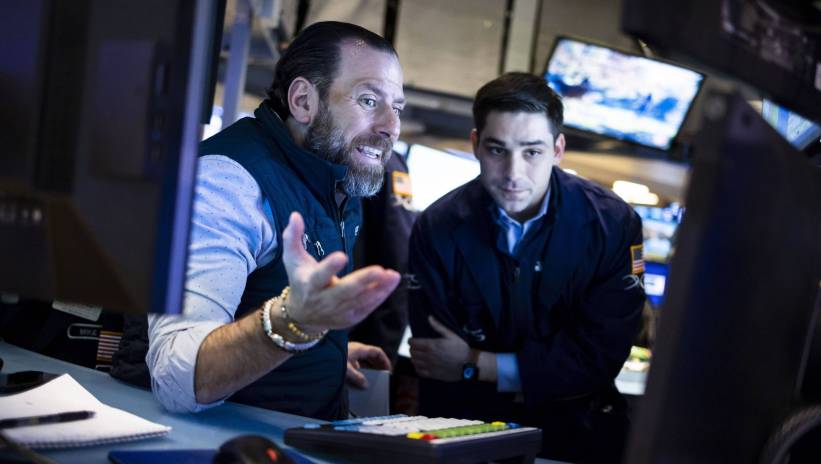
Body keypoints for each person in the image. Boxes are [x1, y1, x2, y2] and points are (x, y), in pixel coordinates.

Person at [145, 21, 404, 420]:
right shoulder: (227, 180)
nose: (391, 127)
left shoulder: (337, 178)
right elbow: (176, 376)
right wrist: (292, 323)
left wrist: (324, 353)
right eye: (369, 101)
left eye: (397, 107)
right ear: (303, 101)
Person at [408, 72, 645, 463]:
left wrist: (476, 363)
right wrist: (529, 368)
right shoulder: (437, 227)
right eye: (497, 150)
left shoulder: (613, 225)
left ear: (558, 149)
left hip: (576, 434)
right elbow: (438, 360)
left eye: (532, 152)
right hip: (465, 434)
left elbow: (598, 358)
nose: (513, 174)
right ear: (475, 145)